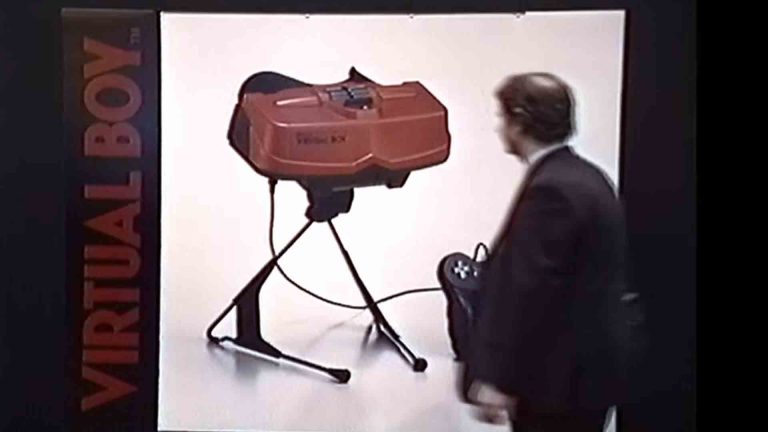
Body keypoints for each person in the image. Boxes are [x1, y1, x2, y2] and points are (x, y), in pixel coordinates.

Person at [463, 73, 630, 432]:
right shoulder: (588, 177)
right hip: (585, 377)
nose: (498, 128)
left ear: (520, 122)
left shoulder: (553, 190)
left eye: (502, 117)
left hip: (556, 384)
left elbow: (530, 288)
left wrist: (497, 378)